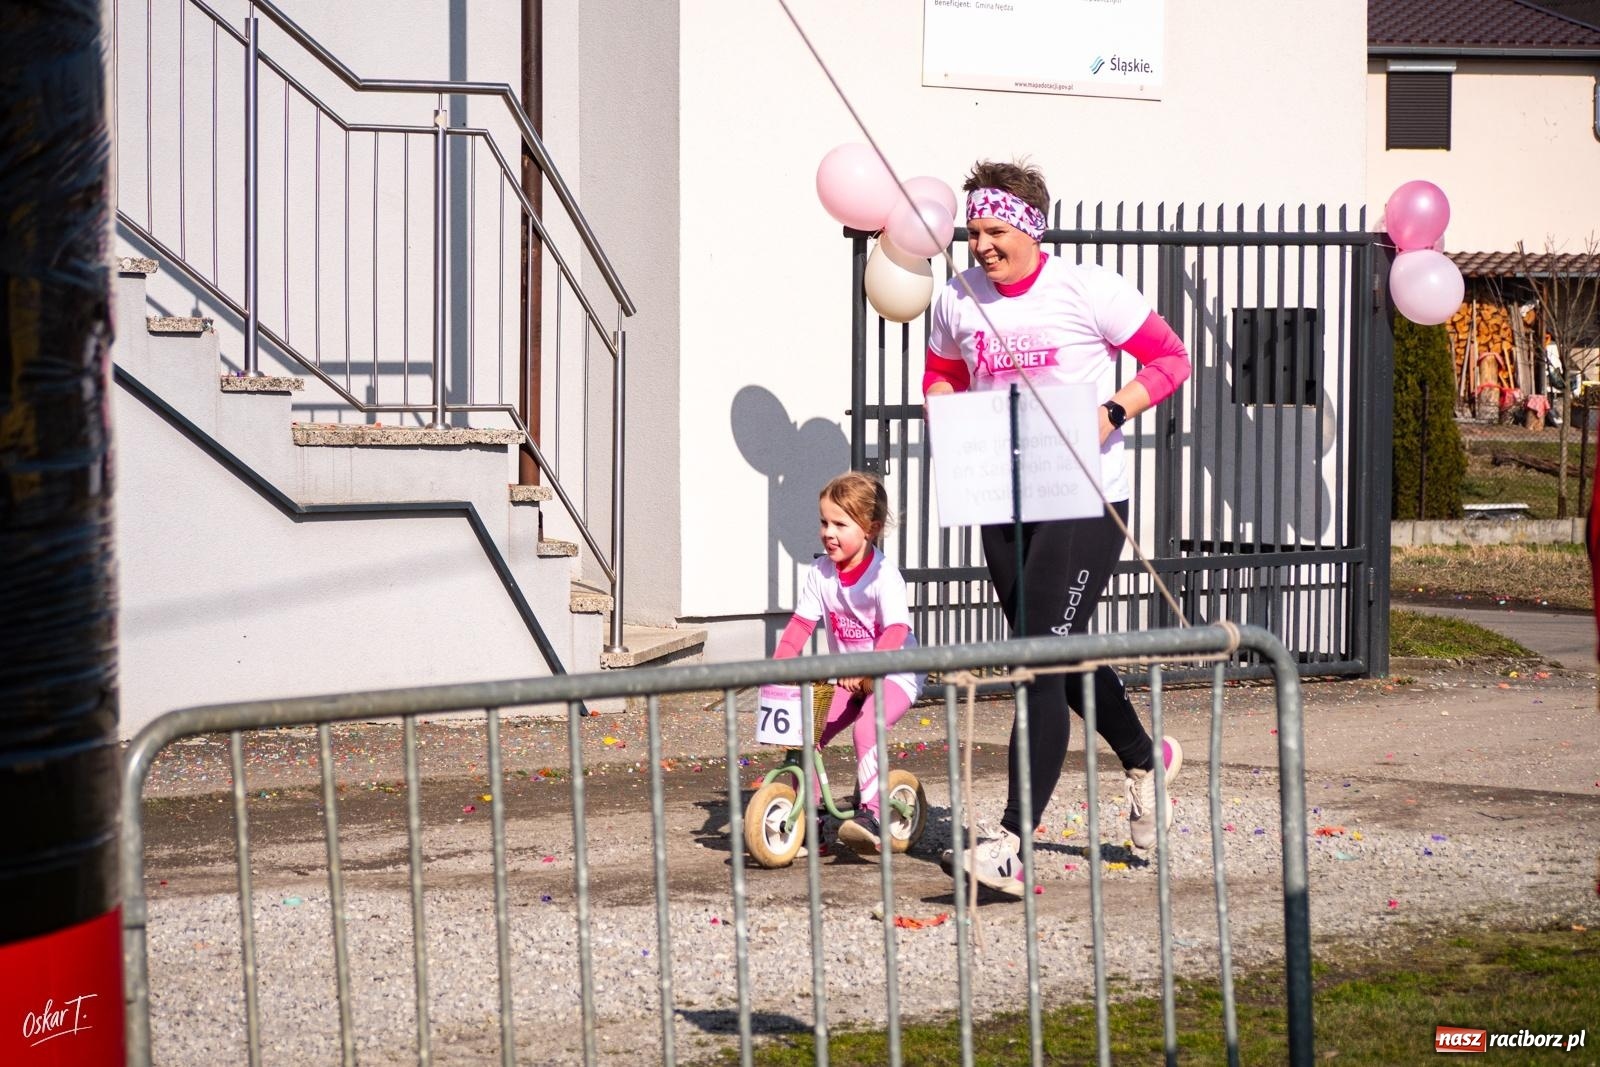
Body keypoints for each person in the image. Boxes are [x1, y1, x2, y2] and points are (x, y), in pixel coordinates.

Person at [922, 159, 1191, 897]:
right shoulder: (956, 299)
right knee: (1053, 647)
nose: (980, 245)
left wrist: (1108, 414)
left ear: (1031, 228)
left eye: (995, 230)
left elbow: (1171, 359)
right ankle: (1142, 756)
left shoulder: (1087, 289)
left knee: (1036, 659)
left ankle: (1010, 840)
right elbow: (940, 373)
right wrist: (947, 414)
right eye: (973, 231)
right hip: (1001, 501)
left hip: (1083, 500)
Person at [771, 471, 923, 858]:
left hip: (894, 672)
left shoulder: (883, 576)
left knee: (866, 731)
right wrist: (776, 667)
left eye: (840, 524)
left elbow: (895, 630)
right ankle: (811, 819)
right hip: (848, 677)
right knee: (807, 730)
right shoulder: (821, 574)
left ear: (870, 529)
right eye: (824, 522)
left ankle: (873, 815)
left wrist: (870, 668)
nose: (828, 532)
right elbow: (800, 626)